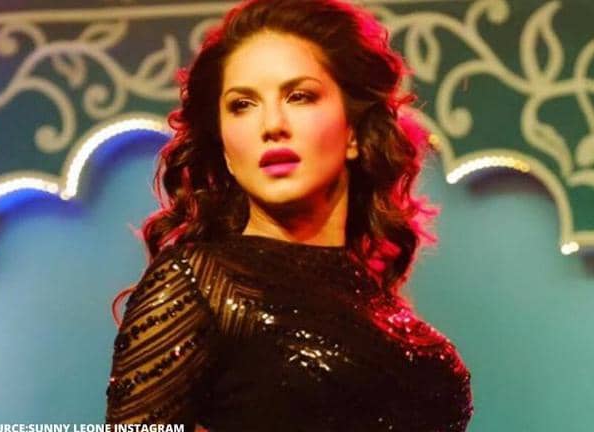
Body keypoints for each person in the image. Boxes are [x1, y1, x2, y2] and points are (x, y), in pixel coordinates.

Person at [105, 0, 474, 430]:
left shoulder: (378, 304)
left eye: (299, 96)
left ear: (354, 132)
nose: (272, 125)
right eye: (243, 104)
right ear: (224, 148)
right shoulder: (197, 282)